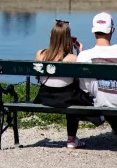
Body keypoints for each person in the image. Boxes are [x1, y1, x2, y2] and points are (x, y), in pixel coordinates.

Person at [77, 12, 117, 146]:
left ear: (93, 31)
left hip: (100, 103)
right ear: (112, 30)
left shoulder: (84, 56)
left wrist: (79, 52)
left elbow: (83, 87)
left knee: (102, 96)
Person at [34, 20, 99, 149]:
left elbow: (37, 76)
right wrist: (79, 51)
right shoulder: (72, 58)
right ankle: (71, 139)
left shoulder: (40, 54)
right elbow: (81, 79)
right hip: (66, 100)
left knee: (72, 95)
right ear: (67, 39)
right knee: (75, 97)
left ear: (51, 36)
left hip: (44, 98)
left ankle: (74, 137)